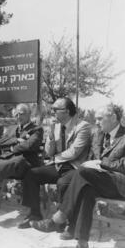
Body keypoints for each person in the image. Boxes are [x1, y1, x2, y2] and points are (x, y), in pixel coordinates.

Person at [31, 103, 125, 248]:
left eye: (100, 118)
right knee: (86, 190)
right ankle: (82, 244)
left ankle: (59, 217)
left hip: (119, 184)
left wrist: (101, 162)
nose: (97, 122)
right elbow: (90, 158)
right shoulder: (98, 134)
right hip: (97, 180)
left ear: (113, 118)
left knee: (82, 171)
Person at [18, 97, 91, 229]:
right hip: (59, 166)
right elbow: (49, 152)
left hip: (74, 167)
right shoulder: (56, 126)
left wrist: (55, 159)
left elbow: (74, 152)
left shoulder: (83, 126)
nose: (52, 112)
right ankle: (34, 214)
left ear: (67, 111)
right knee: (31, 174)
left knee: (62, 183)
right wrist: (50, 136)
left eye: (55, 109)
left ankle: (65, 222)